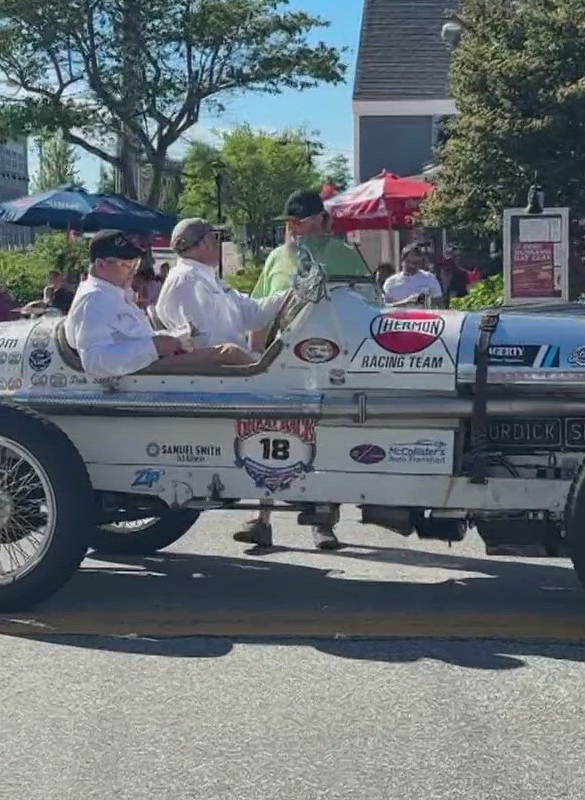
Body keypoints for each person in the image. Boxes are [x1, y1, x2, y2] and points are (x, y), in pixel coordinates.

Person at [238, 191, 365, 554]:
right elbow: (260, 311)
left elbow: (364, 307)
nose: (294, 230)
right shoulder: (278, 258)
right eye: (290, 224)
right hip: (280, 361)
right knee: (267, 439)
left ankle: (323, 522)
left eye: (301, 222)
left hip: (328, 362)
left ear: (322, 220)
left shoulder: (342, 255)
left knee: (322, 441)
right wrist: (254, 358)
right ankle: (261, 521)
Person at [65, 231, 250, 378]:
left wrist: (173, 338)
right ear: (101, 265)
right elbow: (95, 362)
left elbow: (134, 337)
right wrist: (154, 347)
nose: (132, 271)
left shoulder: (113, 294)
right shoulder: (93, 300)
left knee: (217, 347)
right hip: (142, 373)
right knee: (229, 353)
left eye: (134, 264)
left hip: (146, 366)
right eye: (126, 264)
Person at [152, 218, 284, 356]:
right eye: (214, 237)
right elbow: (206, 343)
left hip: (233, 364)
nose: (218, 244)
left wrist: (290, 296)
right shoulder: (187, 281)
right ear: (204, 243)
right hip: (220, 372)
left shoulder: (205, 276)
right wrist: (250, 359)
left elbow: (252, 313)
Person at [252, 191, 371, 299]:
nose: (291, 229)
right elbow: (257, 306)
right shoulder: (276, 257)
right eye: (288, 223)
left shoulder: (345, 255)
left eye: (297, 223)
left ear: (319, 218)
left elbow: (367, 298)